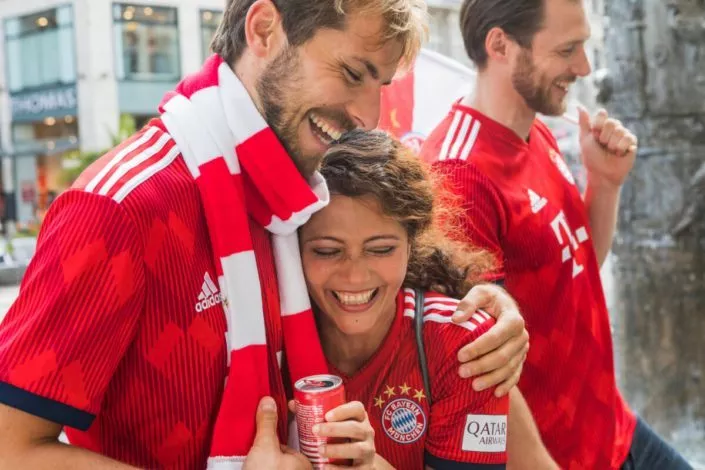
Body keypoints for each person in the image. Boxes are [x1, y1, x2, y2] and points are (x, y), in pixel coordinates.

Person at [0, 1, 528, 469]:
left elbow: (381, 270)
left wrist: (494, 309)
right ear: (265, 29)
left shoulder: (288, 196)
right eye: (351, 73)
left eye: (380, 85)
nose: (369, 116)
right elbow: (10, 449)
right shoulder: (120, 206)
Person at [419, 0, 693, 469]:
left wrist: (604, 182)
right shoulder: (458, 174)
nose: (584, 68)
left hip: (612, 429)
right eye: (568, 49)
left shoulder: (535, 131)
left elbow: (578, 267)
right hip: (558, 456)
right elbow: (482, 364)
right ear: (500, 45)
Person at [294, 130, 555, 469]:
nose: (355, 276)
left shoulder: (460, 346)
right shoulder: (268, 338)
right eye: (328, 251)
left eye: (381, 249)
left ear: (411, 244)